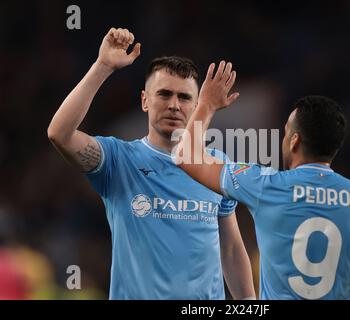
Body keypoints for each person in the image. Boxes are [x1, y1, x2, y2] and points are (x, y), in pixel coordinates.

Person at [176, 61, 350, 299]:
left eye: (285, 133)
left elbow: (185, 155)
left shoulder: (264, 185)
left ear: (294, 141)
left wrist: (206, 105)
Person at [47, 28, 255, 300]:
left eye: (184, 97)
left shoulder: (216, 164)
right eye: (164, 94)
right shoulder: (118, 160)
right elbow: (59, 134)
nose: (174, 105)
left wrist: (249, 303)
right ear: (145, 100)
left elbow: (229, 246)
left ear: (195, 106)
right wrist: (103, 66)